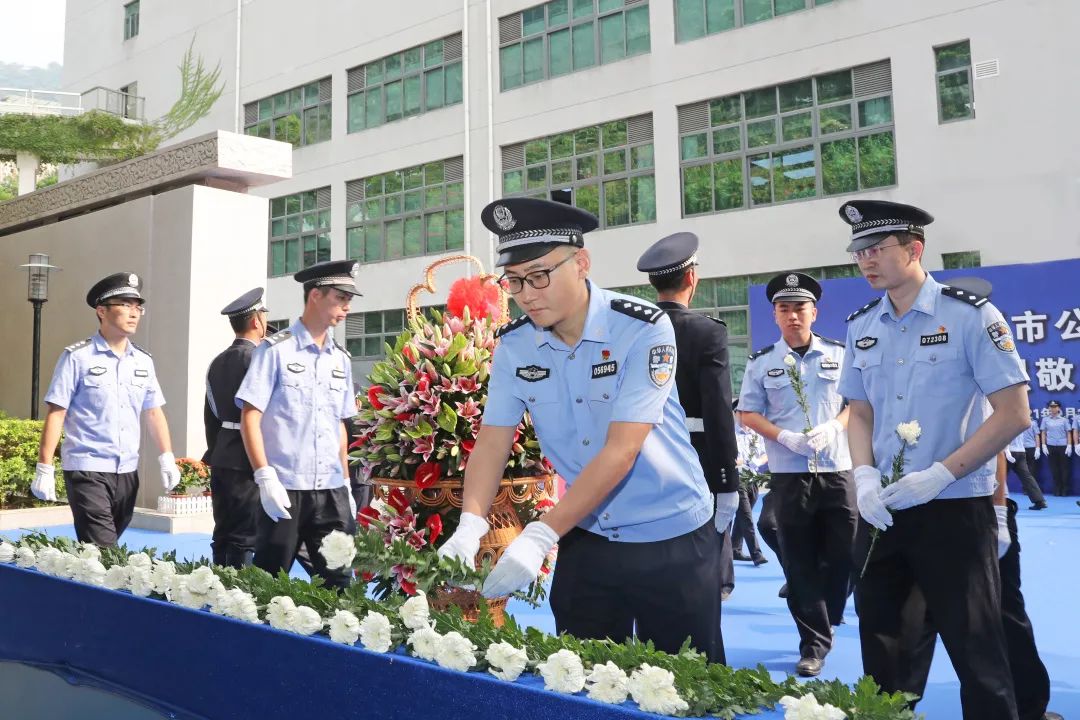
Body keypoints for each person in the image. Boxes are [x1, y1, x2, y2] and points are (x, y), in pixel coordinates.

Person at [437, 197, 725, 663]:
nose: (527, 293)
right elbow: (493, 440)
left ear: (582, 263)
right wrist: (470, 523)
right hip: (586, 532)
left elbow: (621, 451)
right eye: (514, 281)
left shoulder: (641, 329)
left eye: (539, 276)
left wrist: (539, 535)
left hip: (669, 536)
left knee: (689, 687)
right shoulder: (515, 345)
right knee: (582, 677)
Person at [838, 199, 1030, 720]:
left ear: (914, 249)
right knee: (883, 652)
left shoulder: (970, 315)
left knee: (978, 653)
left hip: (952, 511)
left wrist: (944, 472)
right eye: (859, 252)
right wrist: (864, 476)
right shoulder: (862, 325)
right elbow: (858, 412)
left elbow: (1013, 413)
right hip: (884, 513)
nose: (866, 261)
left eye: (877, 249)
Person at [889, 277, 1063, 720]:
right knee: (919, 621)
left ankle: (1029, 705)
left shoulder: (986, 362)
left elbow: (1000, 445)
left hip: (979, 507)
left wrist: (1002, 511)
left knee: (1002, 615)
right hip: (921, 509)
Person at [738, 271, 855, 677]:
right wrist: (782, 435)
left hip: (837, 467)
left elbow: (858, 401)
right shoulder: (762, 363)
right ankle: (813, 643)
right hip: (789, 473)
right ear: (774, 315)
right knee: (800, 558)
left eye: (799, 308)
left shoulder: (840, 355)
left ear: (814, 312)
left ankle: (828, 609)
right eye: (784, 309)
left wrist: (836, 426)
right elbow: (748, 412)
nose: (792, 316)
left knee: (846, 552)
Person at [236, 260, 360, 589]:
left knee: (338, 583)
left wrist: (346, 485)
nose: (347, 306)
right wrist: (264, 476)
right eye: (340, 297)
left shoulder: (340, 359)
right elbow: (250, 415)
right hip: (286, 486)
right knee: (268, 581)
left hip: (331, 490)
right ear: (315, 296)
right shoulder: (275, 351)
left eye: (350, 299)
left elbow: (340, 426)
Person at [33, 272, 181, 547]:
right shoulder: (77, 357)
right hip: (87, 468)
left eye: (138, 306)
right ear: (102, 311)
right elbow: (57, 412)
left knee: (99, 554)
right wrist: (45, 466)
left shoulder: (143, 361)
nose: (134, 313)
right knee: (104, 549)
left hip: (127, 471)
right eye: (125, 304)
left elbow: (153, 411)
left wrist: (167, 457)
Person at [637, 231, 741, 600]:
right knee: (700, 568)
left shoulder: (635, 331)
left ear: (653, 282)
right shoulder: (707, 332)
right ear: (691, 278)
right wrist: (728, 481)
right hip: (697, 460)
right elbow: (718, 410)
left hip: (641, 455)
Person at [203, 287, 269, 568]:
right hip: (249, 457)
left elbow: (210, 414)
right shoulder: (260, 359)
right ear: (256, 321)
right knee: (246, 533)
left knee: (223, 530)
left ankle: (219, 587)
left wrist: (215, 450)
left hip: (222, 453)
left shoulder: (216, 362)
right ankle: (240, 593)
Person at [732, 402, 768, 565]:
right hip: (737, 478)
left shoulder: (756, 434)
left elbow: (766, 453)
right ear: (736, 413)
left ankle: (735, 549)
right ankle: (756, 554)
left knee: (742, 516)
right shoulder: (731, 433)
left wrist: (756, 461)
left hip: (753, 478)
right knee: (747, 517)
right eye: (742, 413)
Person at [1006, 423, 1046, 511]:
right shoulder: (1021, 421)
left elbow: (1005, 438)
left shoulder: (1007, 421)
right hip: (1021, 452)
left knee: (1000, 478)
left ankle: (996, 501)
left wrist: (1007, 452)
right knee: (1027, 477)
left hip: (1009, 452)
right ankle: (1039, 501)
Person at [1040, 400, 1071, 496]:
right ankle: (1057, 489)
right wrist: (1043, 445)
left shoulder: (1064, 420)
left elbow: (1068, 433)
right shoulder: (1045, 420)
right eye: (1051, 406)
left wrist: (1069, 445)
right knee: (1054, 469)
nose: (1053, 408)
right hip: (1050, 446)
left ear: (1059, 408)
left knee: (1064, 468)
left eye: (1055, 406)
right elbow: (1043, 432)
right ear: (1048, 408)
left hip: (1063, 446)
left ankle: (1064, 489)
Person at [1020, 416, 1045, 509]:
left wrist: (1038, 448)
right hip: (1018, 449)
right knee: (1026, 475)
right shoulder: (1014, 421)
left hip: (1020, 450)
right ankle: (1039, 501)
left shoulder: (1032, 423)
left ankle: (1038, 500)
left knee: (1029, 473)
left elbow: (1036, 435)